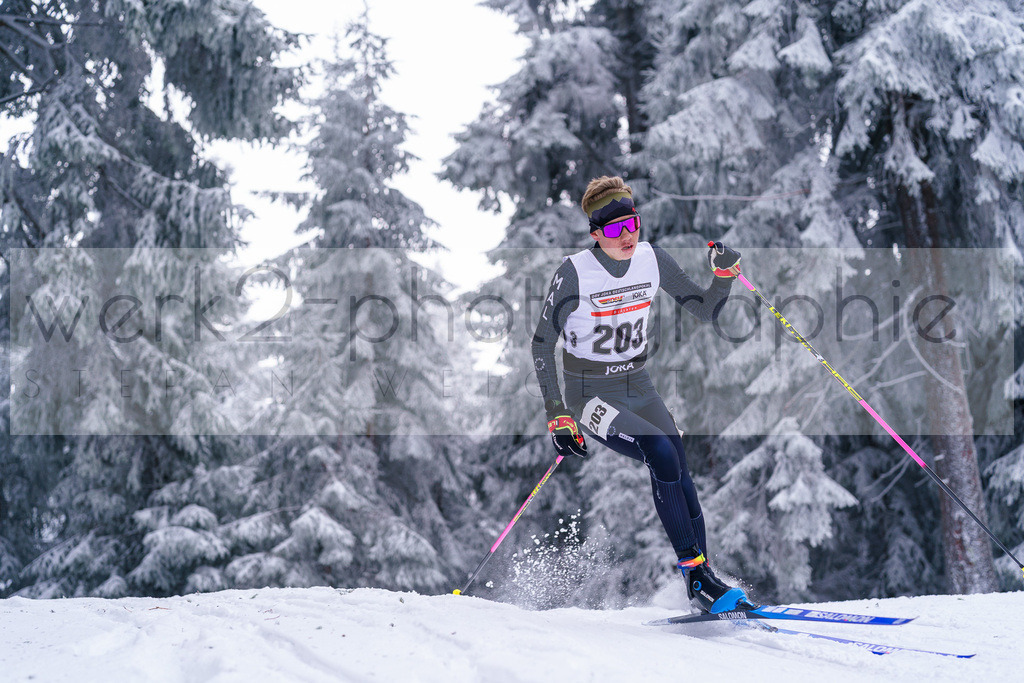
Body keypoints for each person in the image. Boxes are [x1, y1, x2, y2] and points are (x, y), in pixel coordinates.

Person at [531, 175, 748, 614]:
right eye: (613, 230)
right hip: (589, 392)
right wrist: (558, 413)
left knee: (679, 463)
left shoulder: (652, 258)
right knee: (659, 453)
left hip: (637, 382)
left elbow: (704, 309)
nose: (626, 236)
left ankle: (701, 579)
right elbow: (541, 343)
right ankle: (695, 576)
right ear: (596, 234)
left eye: (632, 224)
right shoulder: (574, 272)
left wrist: (722, 278)